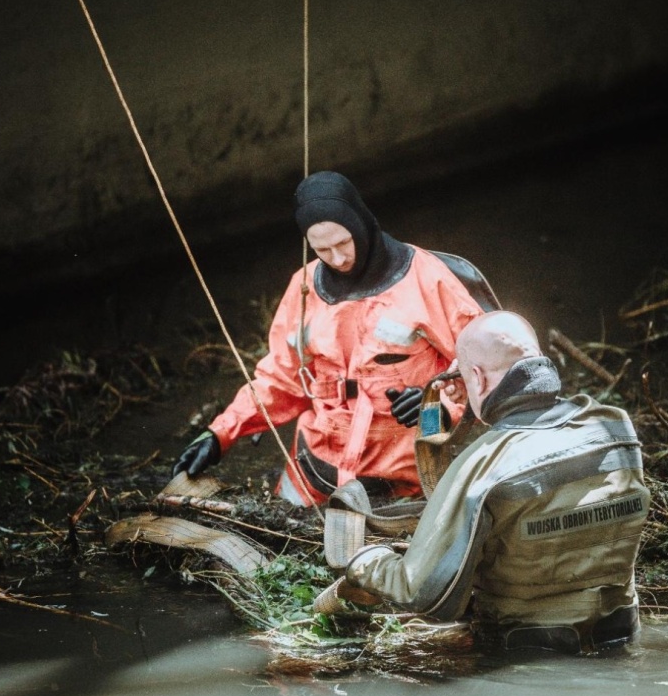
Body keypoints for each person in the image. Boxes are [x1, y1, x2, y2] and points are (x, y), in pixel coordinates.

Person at [332, 310, 650, 653]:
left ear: (479, 380)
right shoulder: (615, 427)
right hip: (620, 638)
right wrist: (473, 387)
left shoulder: (482, 465)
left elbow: (422, 594)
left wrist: (364, 562)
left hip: (527, 655)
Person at [172, 171, 498, 506]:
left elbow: (483, 367)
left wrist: (434, 404)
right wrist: (221, 433)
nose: (338, 259)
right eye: (322, 249)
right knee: (281, 537)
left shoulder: (425, 278)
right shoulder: (304, 287)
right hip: (315, 468)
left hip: (406, 477)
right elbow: (281, 380)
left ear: (361, 225)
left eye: (344, 243)